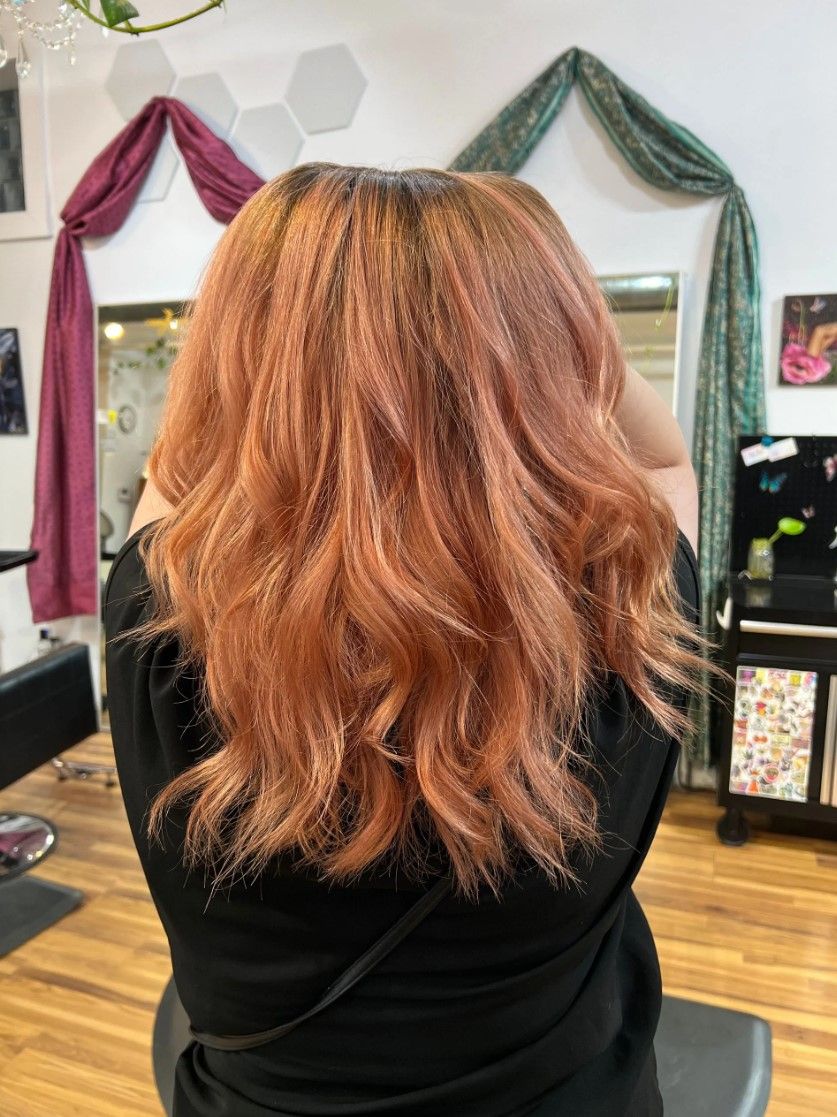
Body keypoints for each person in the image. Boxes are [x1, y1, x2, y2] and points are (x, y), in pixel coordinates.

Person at [104, 164, 702, 1117]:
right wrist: (542, 322)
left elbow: (184, 460)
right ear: (563, 358)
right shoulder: (626, 600)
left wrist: (271, 335)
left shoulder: (159, 613)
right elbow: (665, 457)